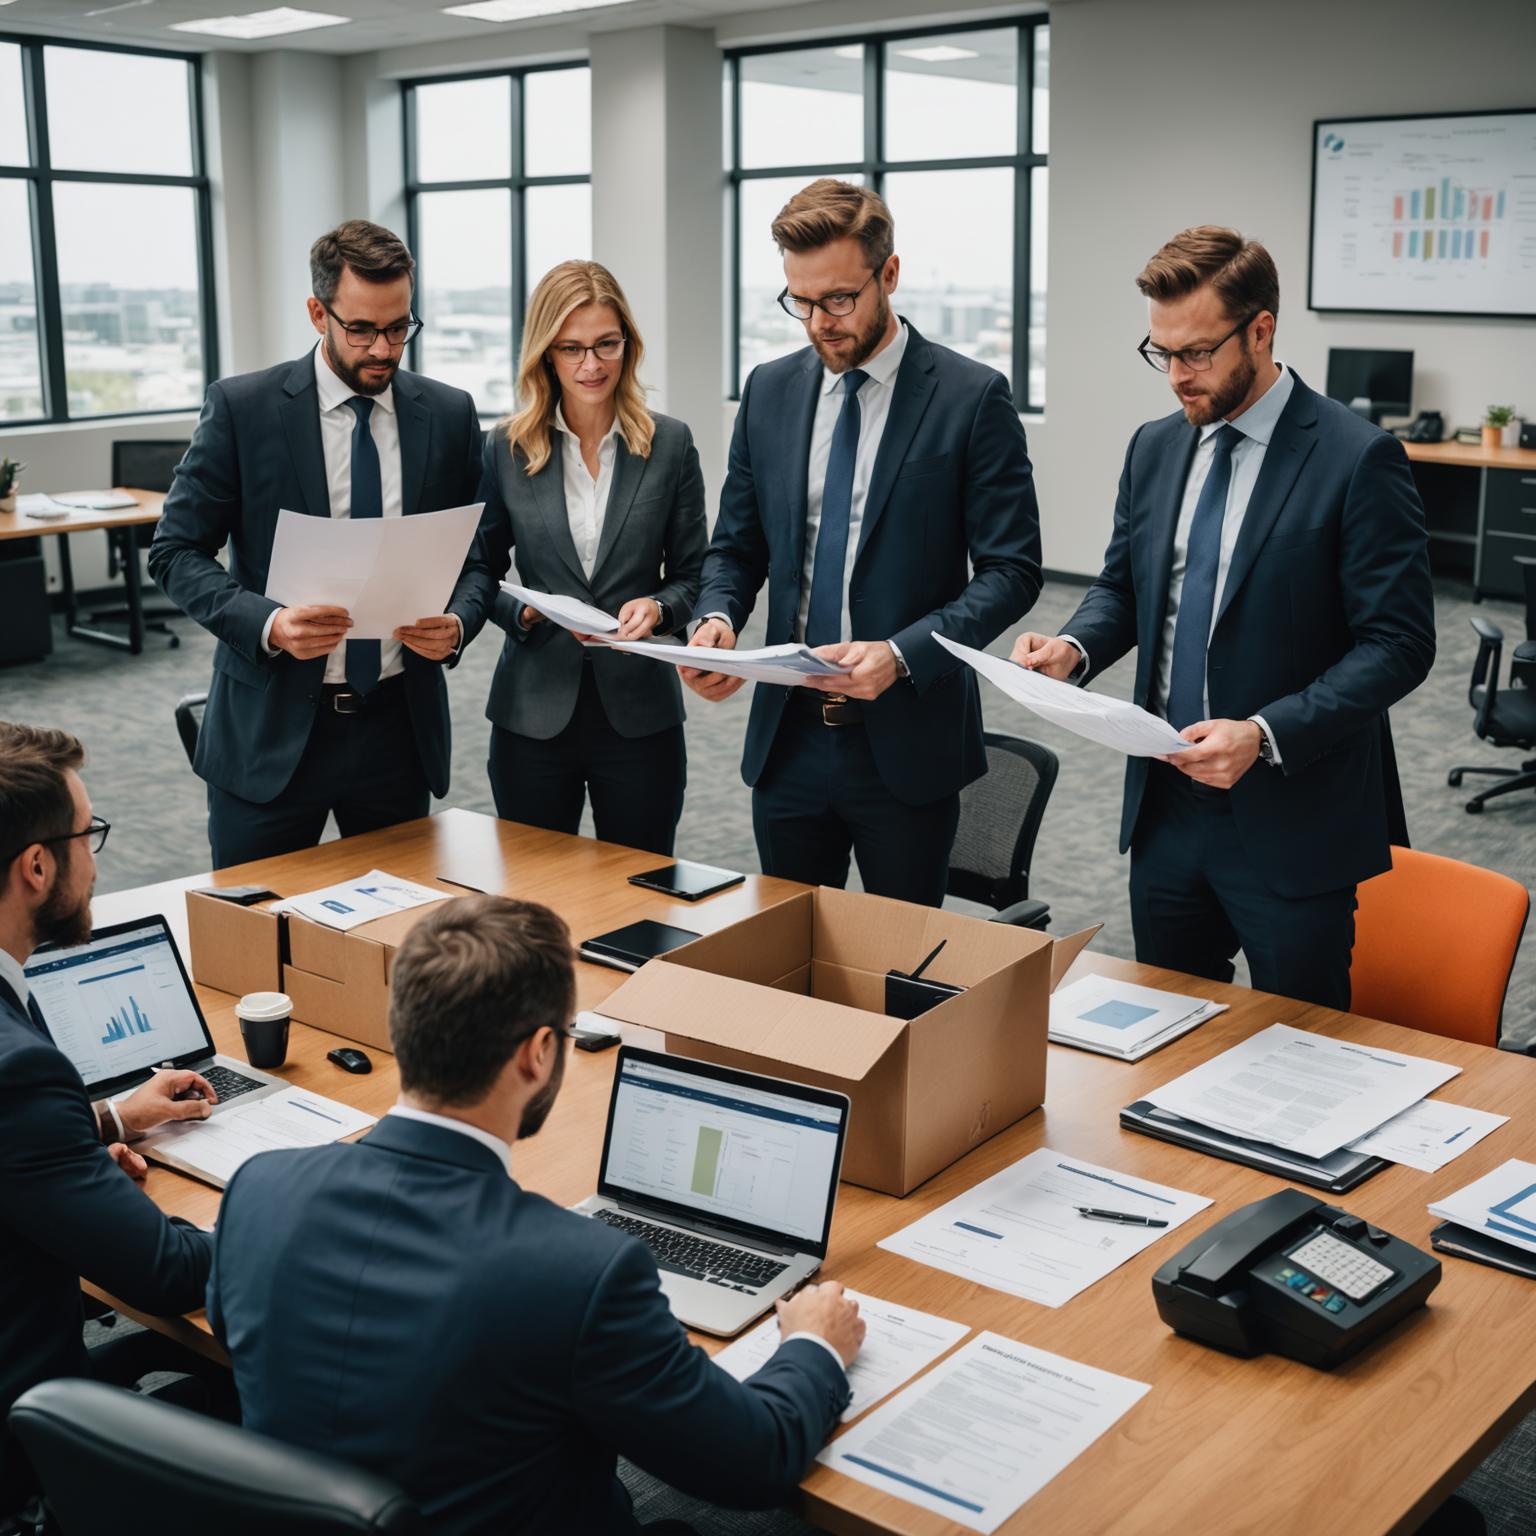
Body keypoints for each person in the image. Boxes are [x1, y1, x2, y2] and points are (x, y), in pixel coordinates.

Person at [207, 894, 863, 1535]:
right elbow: (753, 1462)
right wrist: (814, 1344)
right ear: (539, 1052)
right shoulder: (582, 1272)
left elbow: (241, 1332)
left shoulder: (259, 1189)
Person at [1011, 227, 1434, 1009]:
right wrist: (1074, 646)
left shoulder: (1356, 457)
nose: (1177, 376)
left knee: (1297, 1054)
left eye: (1198, 352)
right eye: (1161, 352)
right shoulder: (1154, 449)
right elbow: (1124, 590)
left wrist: (1265, 734)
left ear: (1262, 330)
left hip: (1293, 815)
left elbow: (1400, 644)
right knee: (1168, 1031)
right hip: (1168, 807)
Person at [683, 178, 1042, 906]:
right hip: (787, 742)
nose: (820, 322)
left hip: (907, 743)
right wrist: (714, 620)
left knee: (903, 970)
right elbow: (736, 547)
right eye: (801, 301)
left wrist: (904, 654)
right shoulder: (771, 390)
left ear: (890, 275)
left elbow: (1011, 570)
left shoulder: (970, 397)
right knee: (788, 957)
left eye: (840, 299)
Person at [149, 220, 483, 870]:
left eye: (399, 328)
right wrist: (269, 622)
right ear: (317, 312)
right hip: (270, 728)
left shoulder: (447, 415)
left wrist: (460, 623)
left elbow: (474, 556)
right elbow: (175, 551)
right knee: (254, 936)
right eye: (361, 329)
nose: (383, 349)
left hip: (395, 728)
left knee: (395, 940)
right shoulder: (243, 410)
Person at [0, 723, 225, 1511]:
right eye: (87, 834)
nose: (96, 860)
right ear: (36, 866)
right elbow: (162, 1273)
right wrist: (293, 1209)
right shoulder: (20, 1070)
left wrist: (102, 1119)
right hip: (22, 1430)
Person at [454, 261, 707, 855]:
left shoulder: (669, 444)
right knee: (534, 900)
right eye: (571, 349)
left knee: (644, 890)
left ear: (628, 344)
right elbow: (476, 568)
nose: (591, 366)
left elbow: (695, 572)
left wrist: (661, 607)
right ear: (545, 354)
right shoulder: (506, 447)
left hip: (641, 711)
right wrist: (524, 614)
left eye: (606, 345)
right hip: (533, 709)